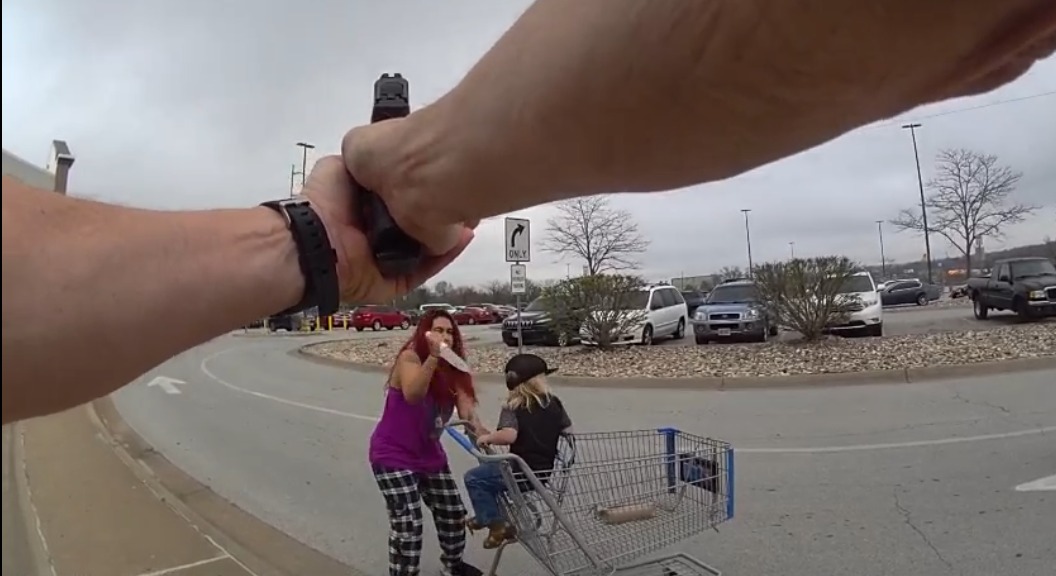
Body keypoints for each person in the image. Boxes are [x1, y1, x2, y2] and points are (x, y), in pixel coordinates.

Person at [4, 0, 1055, 425]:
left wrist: (314, 243)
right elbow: (426, 393)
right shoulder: (427, 348)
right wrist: (422, 171)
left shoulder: (452, 346)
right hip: (397, 451)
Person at [368, 309, 485, 576]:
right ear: (424, 333)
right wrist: (433, 357)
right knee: (408, 524)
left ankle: (452, 567)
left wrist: (487, 440)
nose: (445, 337)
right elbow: (413, 394)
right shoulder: (410, 358)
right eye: (438, 330)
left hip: (429, 454)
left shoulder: (456, 369)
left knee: (453, 513)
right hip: (392, 454)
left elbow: (468, 415)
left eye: (450, 332)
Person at [464, 354, 573, 549]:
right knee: (489, 472)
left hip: (519, 472)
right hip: (540, 473)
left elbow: (508, 435)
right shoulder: (554, 402)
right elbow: (567, 430)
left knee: (475, 478)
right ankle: (485, 516)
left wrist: (487, 438)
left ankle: (495, 524)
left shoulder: (513, 406)